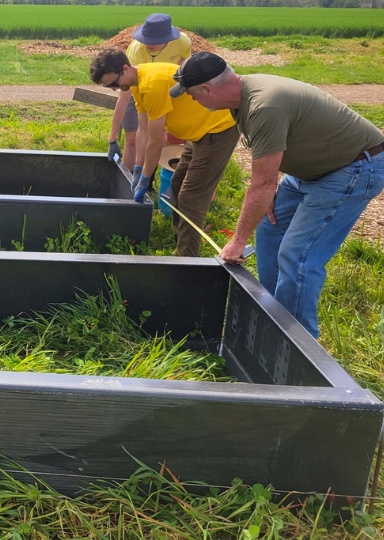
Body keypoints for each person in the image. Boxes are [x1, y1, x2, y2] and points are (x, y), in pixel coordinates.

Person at [170, 52, 384, 338]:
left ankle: (299, 346)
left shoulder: (263, 105)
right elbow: (278, 158)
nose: (194, 101)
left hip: (353, 168)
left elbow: (261, 183)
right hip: (312, 171)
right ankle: (275, 317)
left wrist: (237, 241)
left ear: (208, 90)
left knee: (297, 256)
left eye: (193, 95)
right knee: (270, 231)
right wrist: (267, 189)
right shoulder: (241, 99)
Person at [90, 48, 238, 257]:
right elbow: (143, 131)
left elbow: (157, 140)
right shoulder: (136, 82)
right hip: (198, 133)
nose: (115, 89)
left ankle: (186, 258)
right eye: (110, 86)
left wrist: (146, 178)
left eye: (114, 83)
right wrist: (138, 169)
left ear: (125, 68)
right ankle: (182, 242)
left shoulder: (152, 85)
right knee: (177, 184)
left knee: (191, 196)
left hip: (217, 130)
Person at [106, 13, 191, 169]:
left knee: (158, 137)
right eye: (147, 40)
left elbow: (186, 67)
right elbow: (124, 98)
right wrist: (112, 139)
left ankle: (147, 177)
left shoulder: (183, 42)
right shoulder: (136, 50)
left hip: (165, 90)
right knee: (133, 137)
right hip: (139, 88)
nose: (149, 44)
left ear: (168, 37)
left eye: (154, 41)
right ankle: (130, 177)